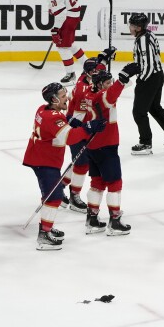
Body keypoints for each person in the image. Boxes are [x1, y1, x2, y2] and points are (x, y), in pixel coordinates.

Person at [23, 83, 106, 249]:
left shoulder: (42, 109)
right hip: (44, 161)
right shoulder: (53, 117)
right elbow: (70, 137)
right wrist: (88, 127)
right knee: (53, 197)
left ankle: (47, 227)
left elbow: (62, 122)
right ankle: (44, 235)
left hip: (40, 157)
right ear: (53, 99)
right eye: (62, 96)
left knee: (52, 195)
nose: (66, 98)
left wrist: (72, 120)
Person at [82, 63, 141, 235]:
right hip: (106, 146)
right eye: (107, 82)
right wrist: (122, 78)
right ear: (100, 85)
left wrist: (122, 80)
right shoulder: (102, 97)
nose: (110, 84)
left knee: (97, 183)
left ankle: (92, 219)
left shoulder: (89, 94)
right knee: (115, 183)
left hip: (92, 146)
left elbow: (115, 90)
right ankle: (114, 222)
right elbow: (111, 94)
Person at [127, 12, 164, 156]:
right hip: (157, 76)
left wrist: (141, 79)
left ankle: (145, 143)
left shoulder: (142, 40)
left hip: (149, 78)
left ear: (139, 27)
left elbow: (149, 64)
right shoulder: (148, 34)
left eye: (132, 25)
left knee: (139, 112)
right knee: (154, 107)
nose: (130, 27)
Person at [63, 58, 104, 213]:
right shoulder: (83, 89)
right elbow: (76, 117)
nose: (97, 73)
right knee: (81, 164)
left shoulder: (84, 80)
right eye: (94, 71)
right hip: (76, 129)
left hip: (80, 128)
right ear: (88, 73)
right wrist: (86, 128)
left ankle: (59, 189)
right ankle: (74, 196)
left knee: (78, 163)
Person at [44, 0, 86, 83]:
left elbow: (61, 14)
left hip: (67, 17)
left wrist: (55, 29)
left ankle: (70, 74)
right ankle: (88, 65)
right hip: (74, 14)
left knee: (63, 46)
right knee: (70, 43)